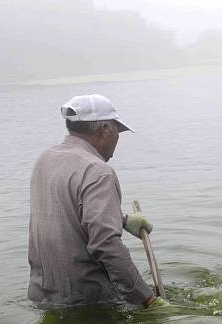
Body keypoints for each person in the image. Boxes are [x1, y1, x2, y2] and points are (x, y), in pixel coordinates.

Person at [28, 94, 162, 308]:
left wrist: (123, 219)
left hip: (42, 297)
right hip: (89, 303)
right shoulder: (98, 171)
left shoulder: (45, 159)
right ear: (105, 130)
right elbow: (105, 244)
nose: (117, 137)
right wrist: (148, 299)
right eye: (117, 130)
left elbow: (66, 212)